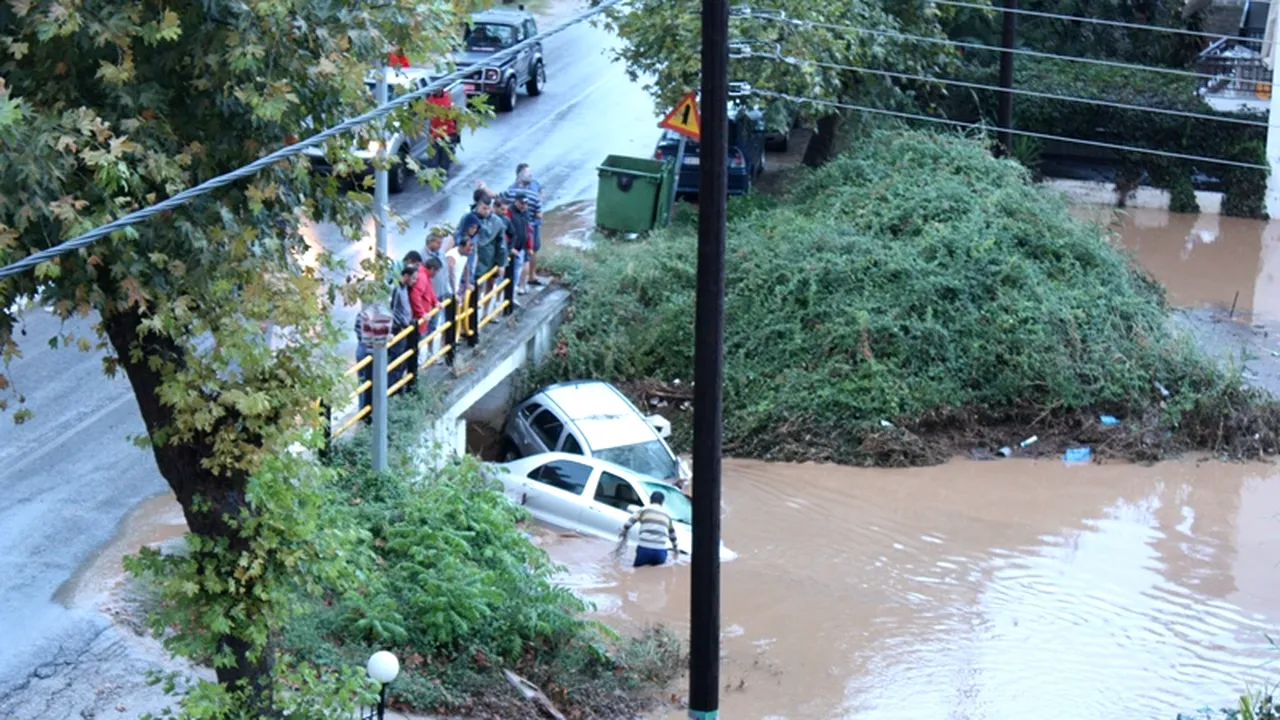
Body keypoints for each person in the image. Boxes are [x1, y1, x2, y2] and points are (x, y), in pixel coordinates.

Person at [402, 251, 437, 391]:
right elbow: (416, 296)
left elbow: (429, 291)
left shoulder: (423, 276)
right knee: (412, 347)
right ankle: (410, 376)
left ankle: (411, 373)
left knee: (413, 348)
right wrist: (422, 314)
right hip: (418, 320)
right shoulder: (422, 277)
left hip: (420, 319)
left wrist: (436, 302)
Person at [618, 491, 679, 567]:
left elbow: (629, 523)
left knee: (637, 573)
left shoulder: (644, 510)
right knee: (657, 575)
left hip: (644, 549)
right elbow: (672, 535)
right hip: (660, 552)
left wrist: (623, 532)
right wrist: (676, 549)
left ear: (650, 500)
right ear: (662, 502)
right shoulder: (667, 515)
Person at [447, 223, 477, 343]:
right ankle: (449, 341)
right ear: (462, 246)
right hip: (448, 291)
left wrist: (468, 282)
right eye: (469, 249)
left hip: (455, 290)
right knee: (448, 318)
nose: (470, 251)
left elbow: (466, 268)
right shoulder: (452, 256)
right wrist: (455, 290)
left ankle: (455, 337)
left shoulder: (464, 255)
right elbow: (450, 274)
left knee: (456, 314)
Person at [388, 263, 415, 390]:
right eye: (413, 278)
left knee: (402, 359)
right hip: (398, 329)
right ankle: (393, 388)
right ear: (406, 276)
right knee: (396, 360)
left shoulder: (405, 288)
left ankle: (398, 385)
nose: (414, 282)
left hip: (404, 328)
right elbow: (391, 310)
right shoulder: (397, 289)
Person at [506, 194, 534, 296]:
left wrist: (530, 246)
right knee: (506, 275)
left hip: (521, 248)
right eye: (522, 203)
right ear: (516, 202)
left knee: (517, 273)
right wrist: (510, 247)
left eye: (526, 204)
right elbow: (505, 231)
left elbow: (528, 230)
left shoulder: (526, 213)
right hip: (510, 249)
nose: (524, 206)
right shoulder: (509, 212)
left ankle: (512, 295)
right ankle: (501, 298)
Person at [353, 315, 373, 424]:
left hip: (366, 349)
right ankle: (364, 412)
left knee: (365, 381)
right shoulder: (365, 314)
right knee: (364, 380)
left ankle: (365, 411)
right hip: (367, 350)